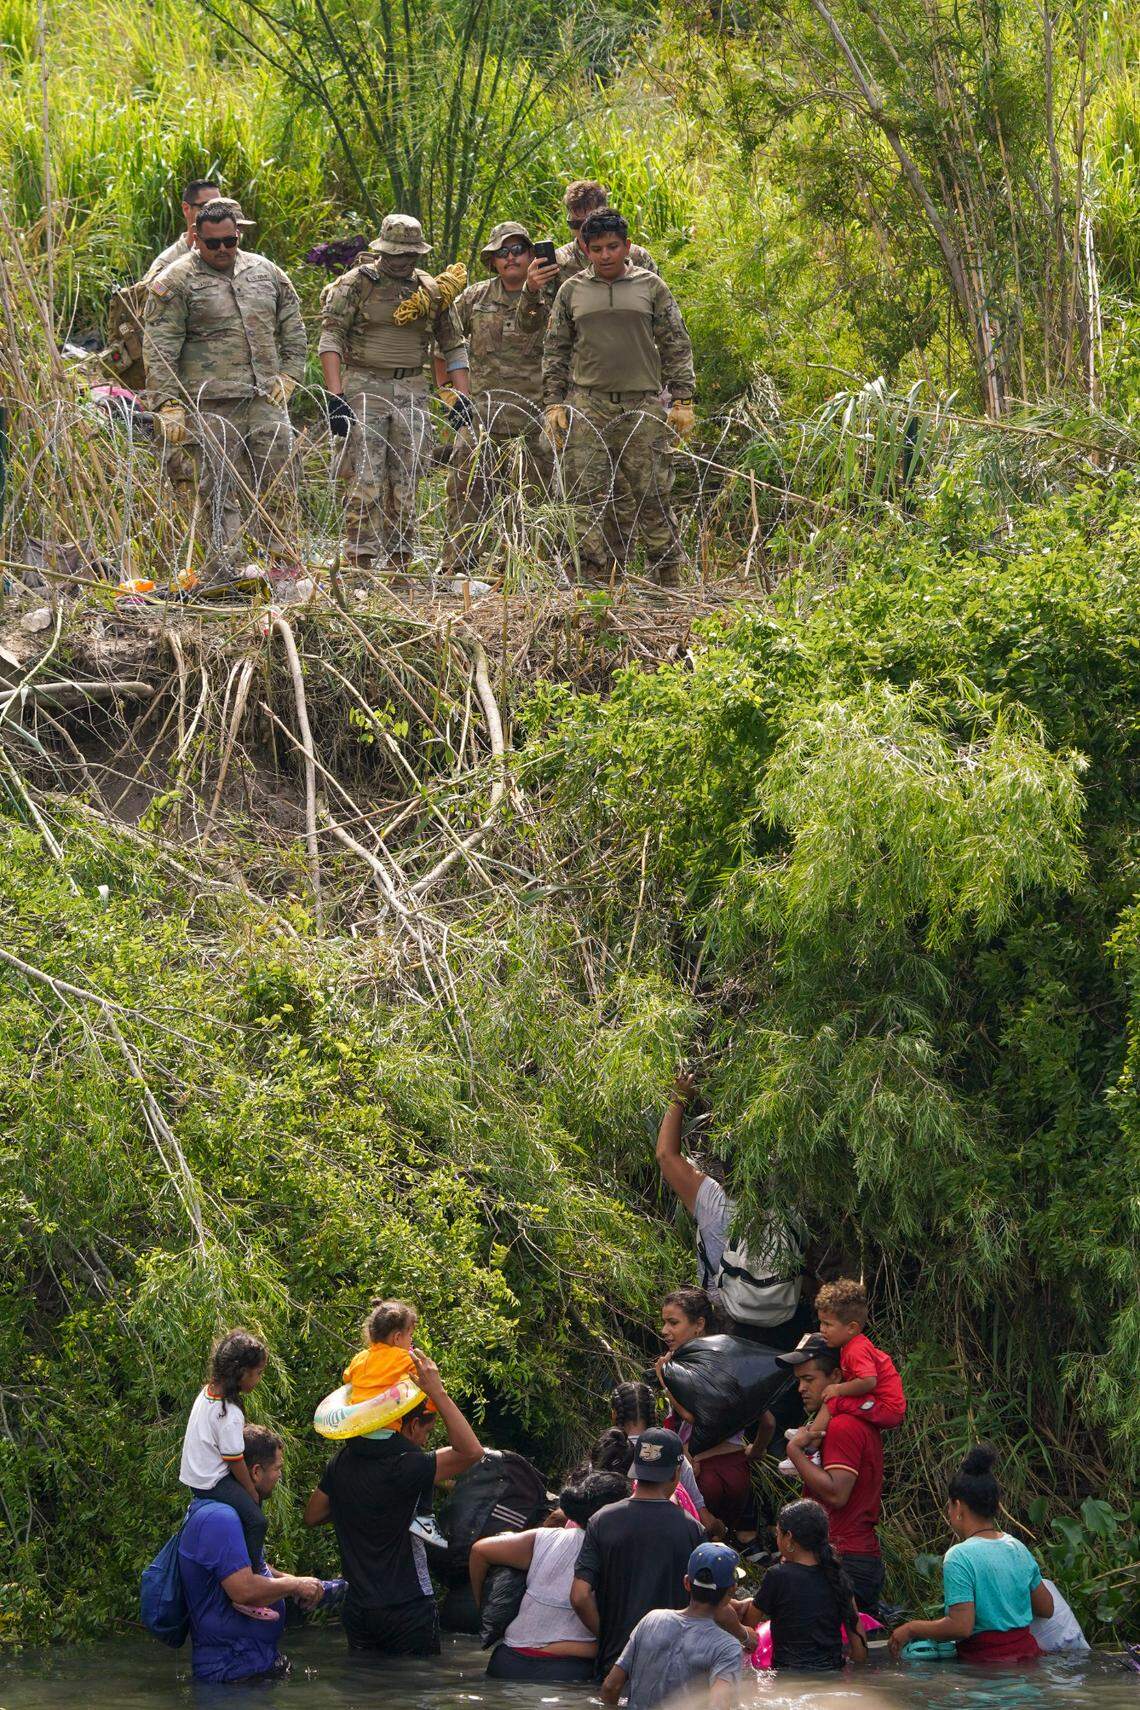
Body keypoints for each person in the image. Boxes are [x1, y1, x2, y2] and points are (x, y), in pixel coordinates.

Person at [142, 200, 306, 577]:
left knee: (279, 482)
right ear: (196, 238)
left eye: (229, 242)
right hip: (209, 404)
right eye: (212, 243)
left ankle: (282, 565)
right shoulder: (175, 281)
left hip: (265, 397)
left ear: (239, 235)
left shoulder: (266, 273)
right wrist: (167, 404)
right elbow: (160, 347)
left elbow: (293, 329)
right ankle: (225, 571)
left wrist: (290, 375)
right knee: (217, 490)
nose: (221, 251)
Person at [541, 208, 695, 587]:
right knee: (586, 497)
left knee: (653, 494)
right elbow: (555, 349)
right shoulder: (571, 291)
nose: (606, 255)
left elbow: (675, 341)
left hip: (641, 404)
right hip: (588, 405)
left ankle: (667, 577)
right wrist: (553, 401)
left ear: (627, 246)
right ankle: (594, 578)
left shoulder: (651, 287)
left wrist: (682, 399)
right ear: (585, 248)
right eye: (597, 248)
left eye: (613, 247)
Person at [303, 1346, 483, 1656]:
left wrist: (365, 1504)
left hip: (359, 1610)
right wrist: (436, 1391)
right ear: (411, 1426)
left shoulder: (342, 1462)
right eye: (427, 1432)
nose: (426, 1442)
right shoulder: (407, 1465)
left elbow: (313, 1515)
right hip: (408, 1608)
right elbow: (471, 1452)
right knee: (412, 1689)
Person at [318, 213, 470, 576]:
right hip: (364, 387)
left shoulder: (431, 291)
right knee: (365, 477)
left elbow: (453, 344)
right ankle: (361, 559)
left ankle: (401, 558)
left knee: (407, 476)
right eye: (395, 254)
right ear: (382, 250)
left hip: (411, 389)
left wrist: (460, 396)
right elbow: (332, 336)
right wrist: (335, 396)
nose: (402, 262)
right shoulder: (357, 284)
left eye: (409, 255)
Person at [655, 1071, 812, 1351]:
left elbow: (666, 1155)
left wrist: (678, 1097)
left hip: (728, 1322)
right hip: (786, 1320)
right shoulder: (792, 1203)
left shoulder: (712, 1200)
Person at [444, 221, 552, 578]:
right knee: (465, 491)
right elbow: (444, 344)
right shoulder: (474, 298)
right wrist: (452, 396)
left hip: (534, 417)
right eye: (502, 253)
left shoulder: (553, 297)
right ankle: (458, 567)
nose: (510, 258)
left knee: (531, 498)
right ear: (492, 261)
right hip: (482, 415)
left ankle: (520, 570)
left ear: (532, 255)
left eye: (518, 250)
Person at [179, 1424, 324, 1684]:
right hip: (229, 1676)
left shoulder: (230, 1513)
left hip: (252, 1665)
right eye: (278, 1468)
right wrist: (295, 1584)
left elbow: (243, 1566)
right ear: (256, 1472)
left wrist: (290, 1583)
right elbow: (243, 1590)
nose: (280, 1476)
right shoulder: (219, 1518)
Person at [889, 1445, 1053, 1664]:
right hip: (1029, 1660)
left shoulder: (959, 1556)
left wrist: (911, 1628)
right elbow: (1047, 1608)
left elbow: (961, 1627)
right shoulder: (1017, 1547)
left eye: (949, 1506)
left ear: (958, 1507)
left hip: (986, 1667)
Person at [470, 1469, 629, 1682]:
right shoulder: (614, 1552)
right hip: (564, 1669)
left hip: (506, 1659)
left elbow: (480, 1551)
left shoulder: (545, 1537)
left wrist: (485, 1612)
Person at [569, 1426, 704, 1677]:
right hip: (670, 1667)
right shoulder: (691, 1529)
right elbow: (703, 1604)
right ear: (676, 1474)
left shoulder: (601, 1520)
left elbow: (579, 1596)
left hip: (615, 1665)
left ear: (635, 1473)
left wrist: (609, 1635)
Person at [97, 186, 251, 391]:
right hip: (189, 374)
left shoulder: (240, 263)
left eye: (233, 234)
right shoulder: (170, 266)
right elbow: (157, 327)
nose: (227, 241)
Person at [777, 1335, 885, 1614]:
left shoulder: (843, 1426)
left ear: (836, 1376)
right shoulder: (840, 1422)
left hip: (844, 1558)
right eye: (799, 1380)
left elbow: (837, 1493)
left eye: (809, 1379)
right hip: (846, 1556)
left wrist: (795, 1453)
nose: (801, 1388)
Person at [657, 1288, 771, 1535]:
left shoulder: (684, 1367)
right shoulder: (733, 1361)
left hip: (699, 1472)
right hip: (738, 1471)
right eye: (664, 1322)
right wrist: (754, 1451)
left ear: (699, 1324)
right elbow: (769, 1422)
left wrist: (665, 1382)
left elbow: (694, 1418)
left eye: (673, 1323)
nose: (664, 1330)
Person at [339, 1297, 444, 1547]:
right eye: (410, 1336)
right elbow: (425, 1387)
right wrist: (433, 1408)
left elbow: (347, 1381)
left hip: (356, 1438)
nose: (411, 1342)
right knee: (423, 1462)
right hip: (385, 1436)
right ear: (397, 1338)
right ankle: (424, 1516)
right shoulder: (405, 1358)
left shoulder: (359, 1359)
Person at [601, 1542, 744, 1710]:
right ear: (732, 1590)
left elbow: (611, 1687)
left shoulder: (651, 1620)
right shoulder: (727, 1648)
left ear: (686, 1583)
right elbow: (719, 1706)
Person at [179, 1329, 271, 1571]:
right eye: (258, 1373)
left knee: (251, 1505)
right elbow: (234, 1460)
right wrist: (251, 1491)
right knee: (257, 1520)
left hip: (197, 1475)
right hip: (210, 1481)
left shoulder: (208, 1392)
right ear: (241, 1373)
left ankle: (248, 1556)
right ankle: (252, 1573)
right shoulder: (228, 1411)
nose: (259, 1379)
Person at [739, 1498, 867, 1671]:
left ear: (789, 1538)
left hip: (788, 1679)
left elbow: (748, 1626)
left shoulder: (778, 1576)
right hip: (832, 1677)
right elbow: (860, 1651)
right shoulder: (838, 1577)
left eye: (778, 1534)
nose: (777, 1539)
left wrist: (744, 1605)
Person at [596, 1381, 723, 1536]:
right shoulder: (671, 1452)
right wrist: (720, 1530)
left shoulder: (606, 1453)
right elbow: (703, 1516)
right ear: (655, 1415)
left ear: (614, 1414)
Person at [801, 1277, 906, 1446]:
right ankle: (813, 1432)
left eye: (827, 1324)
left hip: (887, 1408)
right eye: (821, 1323)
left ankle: (810, 1447)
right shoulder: (850, 1345)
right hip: (878, 1403)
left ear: (851, 1328)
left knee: (834, 1401)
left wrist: (838, 1388)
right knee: (836, 1401)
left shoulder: (856, 1349)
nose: (822, 1329)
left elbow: (869, 1381)